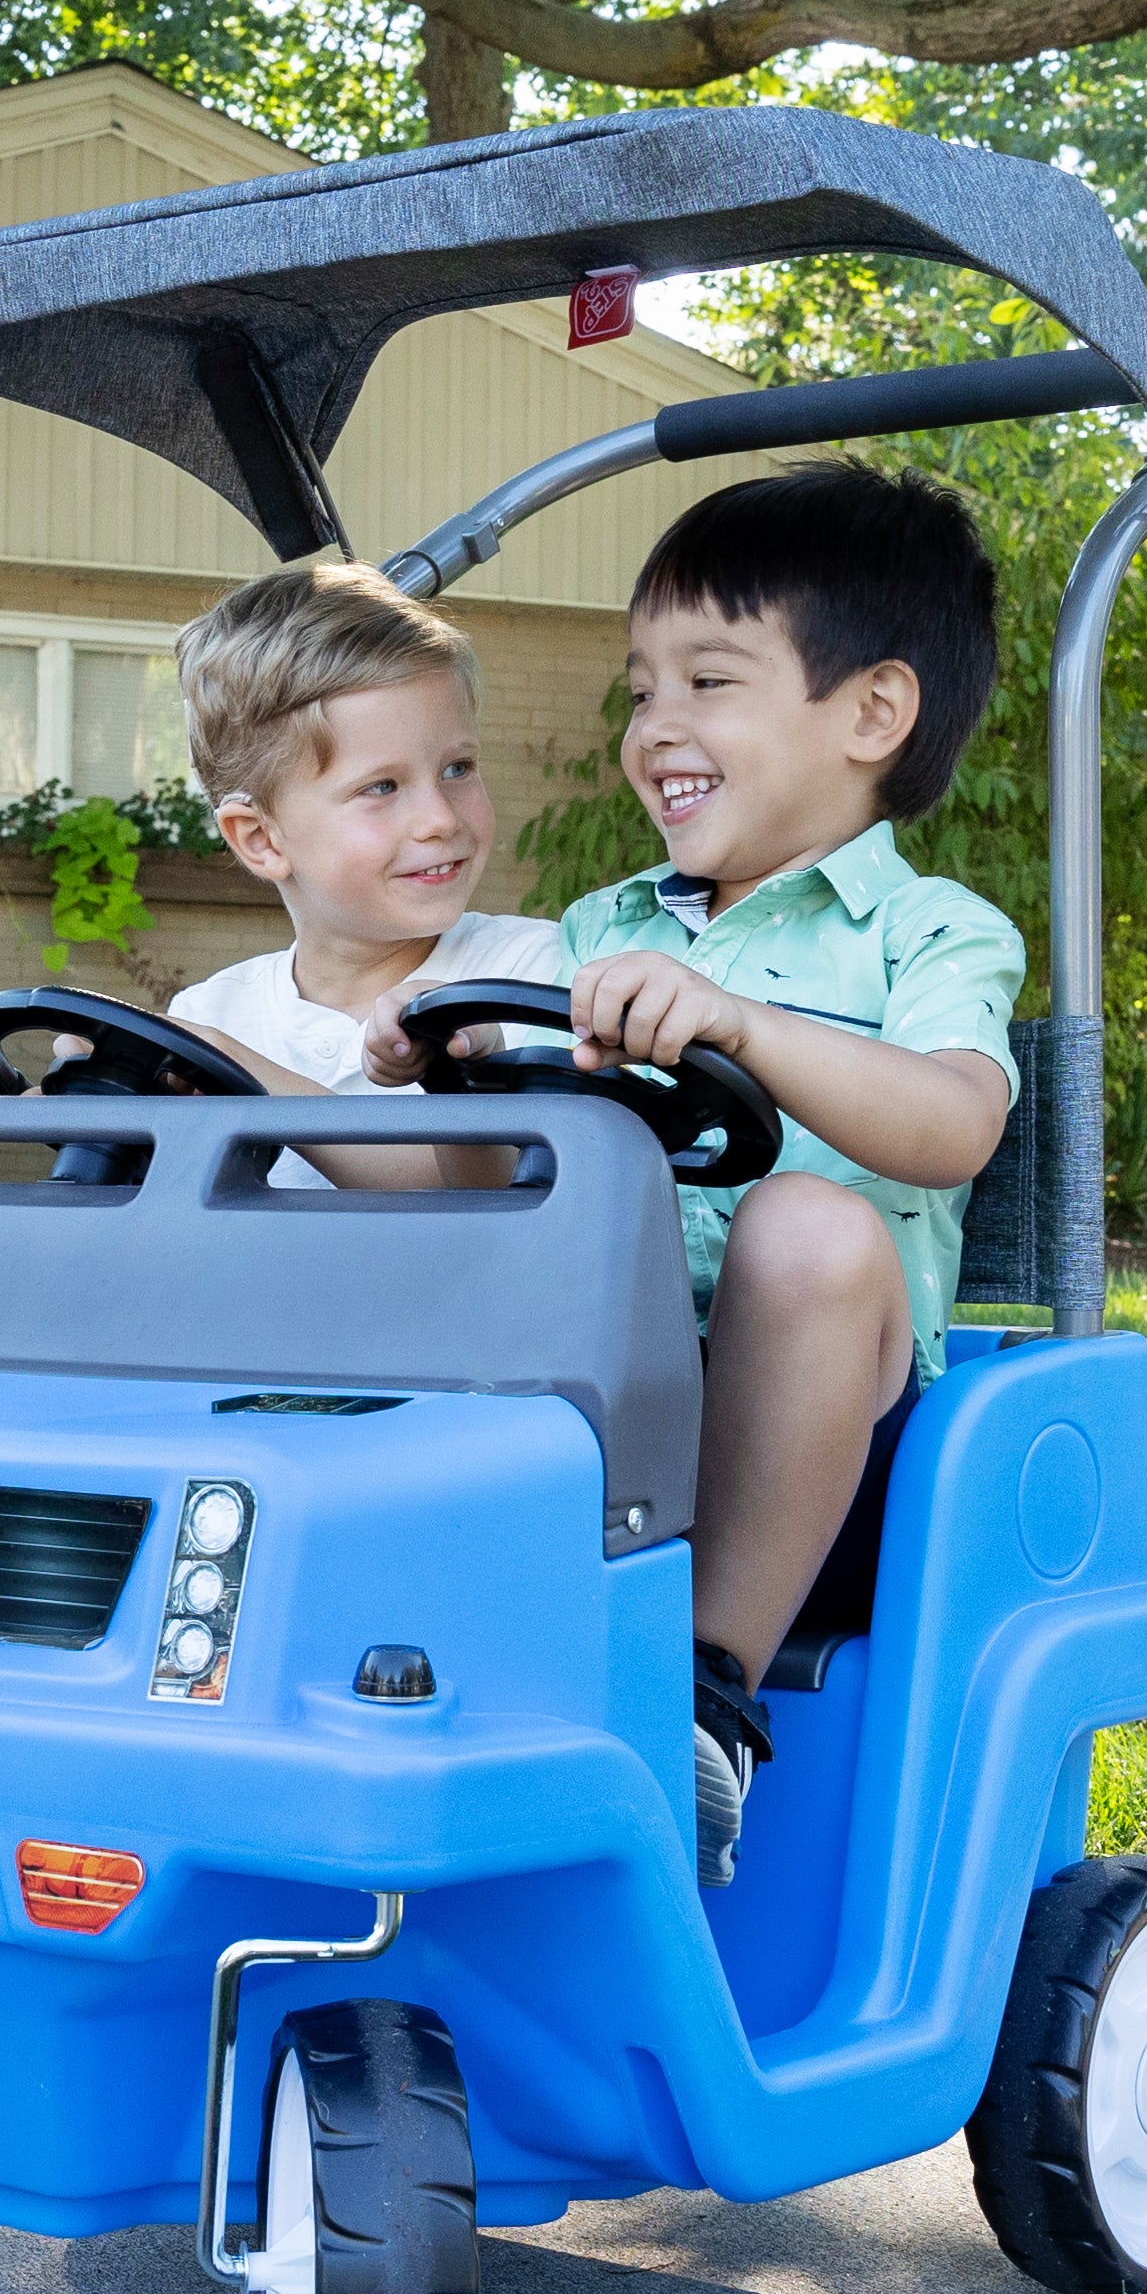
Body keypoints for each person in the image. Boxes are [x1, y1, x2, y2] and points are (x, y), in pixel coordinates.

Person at [367, 460, 1022, 1885]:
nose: (653, 724)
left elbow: (954, 1119)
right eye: (638, 687)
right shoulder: (604, 921)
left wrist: (743, 1023)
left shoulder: (928, 931)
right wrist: (436, 1066)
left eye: (706, 680)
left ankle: (704, 1701)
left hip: (832, 1463)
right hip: (609, 1413)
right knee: (472, 1214)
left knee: (807, 1224)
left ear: (870, 712)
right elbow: (514, 1155)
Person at [164, 562, 560, 1179]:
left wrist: (236, 1070)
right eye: (382, 786)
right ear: (261, 839)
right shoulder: (209, 1014)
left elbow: (497, 1206)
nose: (438, 819)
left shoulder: (532, 980)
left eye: (458, 768)